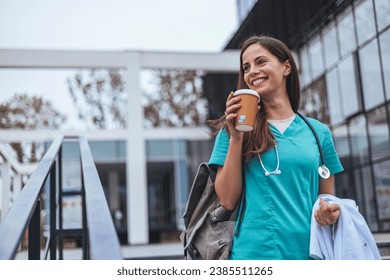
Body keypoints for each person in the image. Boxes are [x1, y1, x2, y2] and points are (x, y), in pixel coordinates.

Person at [208, 35, 344, 260]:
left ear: (286, 67)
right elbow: (227, 200)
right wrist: (235, 139)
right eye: (246, 67)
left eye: (261, 62)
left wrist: (328, 213)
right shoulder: (234, 130)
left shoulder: (319, 133)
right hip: (253, 256)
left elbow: (327, 200)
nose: (252, 71)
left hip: (308, 255)